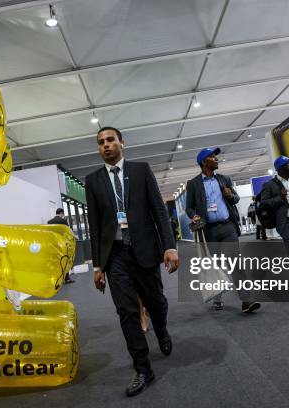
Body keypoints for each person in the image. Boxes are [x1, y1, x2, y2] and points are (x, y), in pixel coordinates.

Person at [85, 126, 179, 397]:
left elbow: (159, 211)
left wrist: (169, 246)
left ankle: (161, 329)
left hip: (145, 251)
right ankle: (143, 369)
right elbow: (94, 225)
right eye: (101, 142)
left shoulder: (140, 170)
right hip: (115, 257)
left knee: (157, 302)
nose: (105, 145)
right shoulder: (93, 180)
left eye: (110, 140)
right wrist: (98, 266)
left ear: (122, 143)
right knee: (126, 313)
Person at [185, 147, 260, 313]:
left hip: (228, 227)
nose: (216, 159)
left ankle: (247, 300)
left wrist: (230, 196)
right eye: (212, 157)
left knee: (235, 263)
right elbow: (189, 208)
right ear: (204, 162)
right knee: (214, 265)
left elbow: (235, 199)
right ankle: (217, 298)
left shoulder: (224, 179)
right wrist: (194, 216)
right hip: (209, 230)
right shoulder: (193, 184)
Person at [48, 208, 75, 283]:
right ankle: (67, 278)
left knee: (56, 262)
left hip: (54, 244)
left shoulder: (49, 222)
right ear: (61, 213)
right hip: (62, 244)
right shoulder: (63, 221)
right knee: (64, 260)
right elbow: (68, 232)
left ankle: (57, 280)